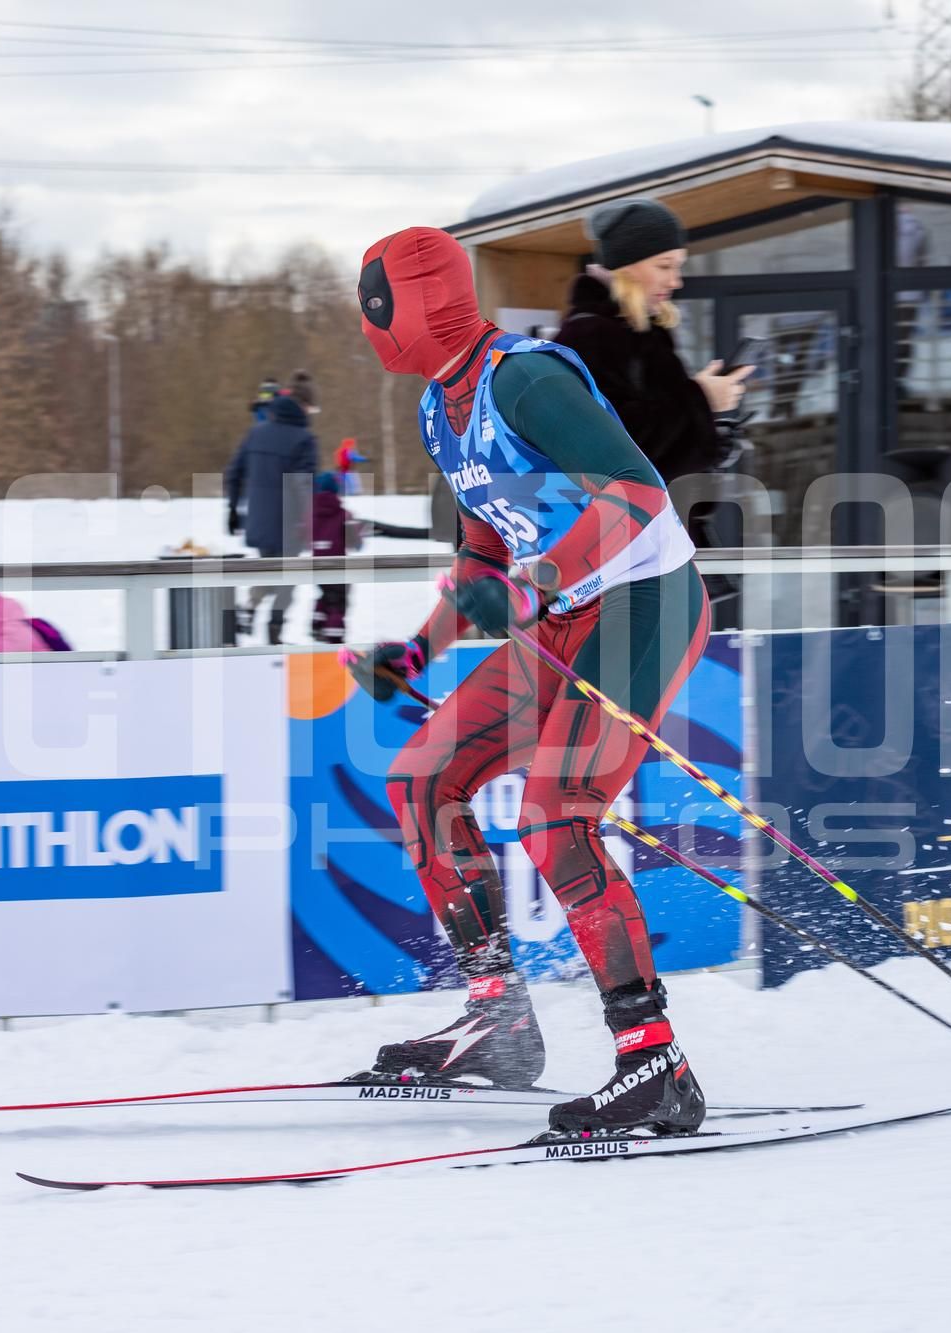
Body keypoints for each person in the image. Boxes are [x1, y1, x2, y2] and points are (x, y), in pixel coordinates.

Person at [344, 225, 710, 1138]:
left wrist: (533, 583)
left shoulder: (526, 378)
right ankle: (499, 1017)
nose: (371, 323)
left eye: (378, 304)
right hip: (559, 614)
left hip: (642, 603)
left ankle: (653, 1060)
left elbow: (637, 494)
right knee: (423, 779)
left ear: (424, 302)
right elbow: (484, 546)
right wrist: (417, 652)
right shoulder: (441, 405)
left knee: (556, 811)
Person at [556, 198, 751, 626]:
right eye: (664, 266)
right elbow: (618, 447)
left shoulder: (641, 329)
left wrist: (711, 434)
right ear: (626, 266)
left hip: (655, 549)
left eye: (677, 266)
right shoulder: (591, 335)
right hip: (625, 561)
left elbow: (660, 447)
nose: (676, 280)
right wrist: (700, 400)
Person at [225, 389, 319, 644]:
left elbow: (234, 474)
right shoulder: (304, 438)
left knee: (270, 571)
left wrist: (232, 510)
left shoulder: (256, 433)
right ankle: (274, 632)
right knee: (288, 580)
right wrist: (310, 520)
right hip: (290, 524)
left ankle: (249, 608)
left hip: (259, 520)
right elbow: (304, 485)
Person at [310, 471, 362, 643]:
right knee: (338, 603)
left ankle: (317, 621)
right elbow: (354, 541)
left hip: (316, 566)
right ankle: (334, 639)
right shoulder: (343, 514)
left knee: (326, 595)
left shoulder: (311, 513)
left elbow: (303, 534)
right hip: (338, 567)